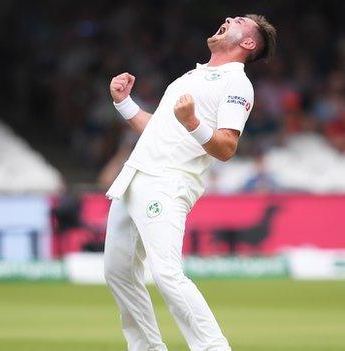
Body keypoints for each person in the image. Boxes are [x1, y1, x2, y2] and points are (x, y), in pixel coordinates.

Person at [103, 15, 276, 350]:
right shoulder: (192, 75)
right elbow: (161, 129)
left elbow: (226, 146)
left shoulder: (237, 83)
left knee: (166, 274)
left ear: (249, 44)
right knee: (118, 273)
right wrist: (124, 104)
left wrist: (194, 121)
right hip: (135, 176)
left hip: (168, 182)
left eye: (238, 21)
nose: (227, 19)